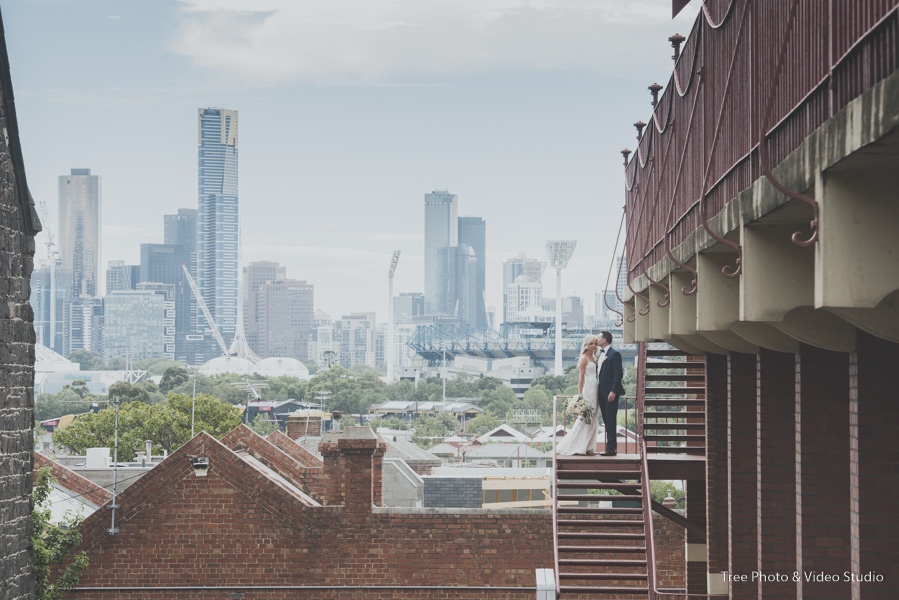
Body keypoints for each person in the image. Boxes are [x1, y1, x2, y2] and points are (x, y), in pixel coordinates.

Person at [556, 335, 601, 456]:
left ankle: (589, 447)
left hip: (597, 388)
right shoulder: (583, 358)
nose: (593, 346)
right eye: (591, 343)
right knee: (586, 418)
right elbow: (581, 378)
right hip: (589, 389)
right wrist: (580, 395)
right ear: (586, 344)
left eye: (595, 343)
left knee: (594, 418)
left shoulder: (594, 356)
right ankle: (578, 446)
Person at [597, 330, 626, 456]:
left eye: (599, 338)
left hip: (610, 393)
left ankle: (611, 448)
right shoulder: (600, 354)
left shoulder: (614, 354)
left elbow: (618, 374)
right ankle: (610, 447)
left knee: (610, 420)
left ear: (604, 340)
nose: (597, 340)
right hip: (601, 392)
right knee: (606, 420)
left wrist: (613, 391)